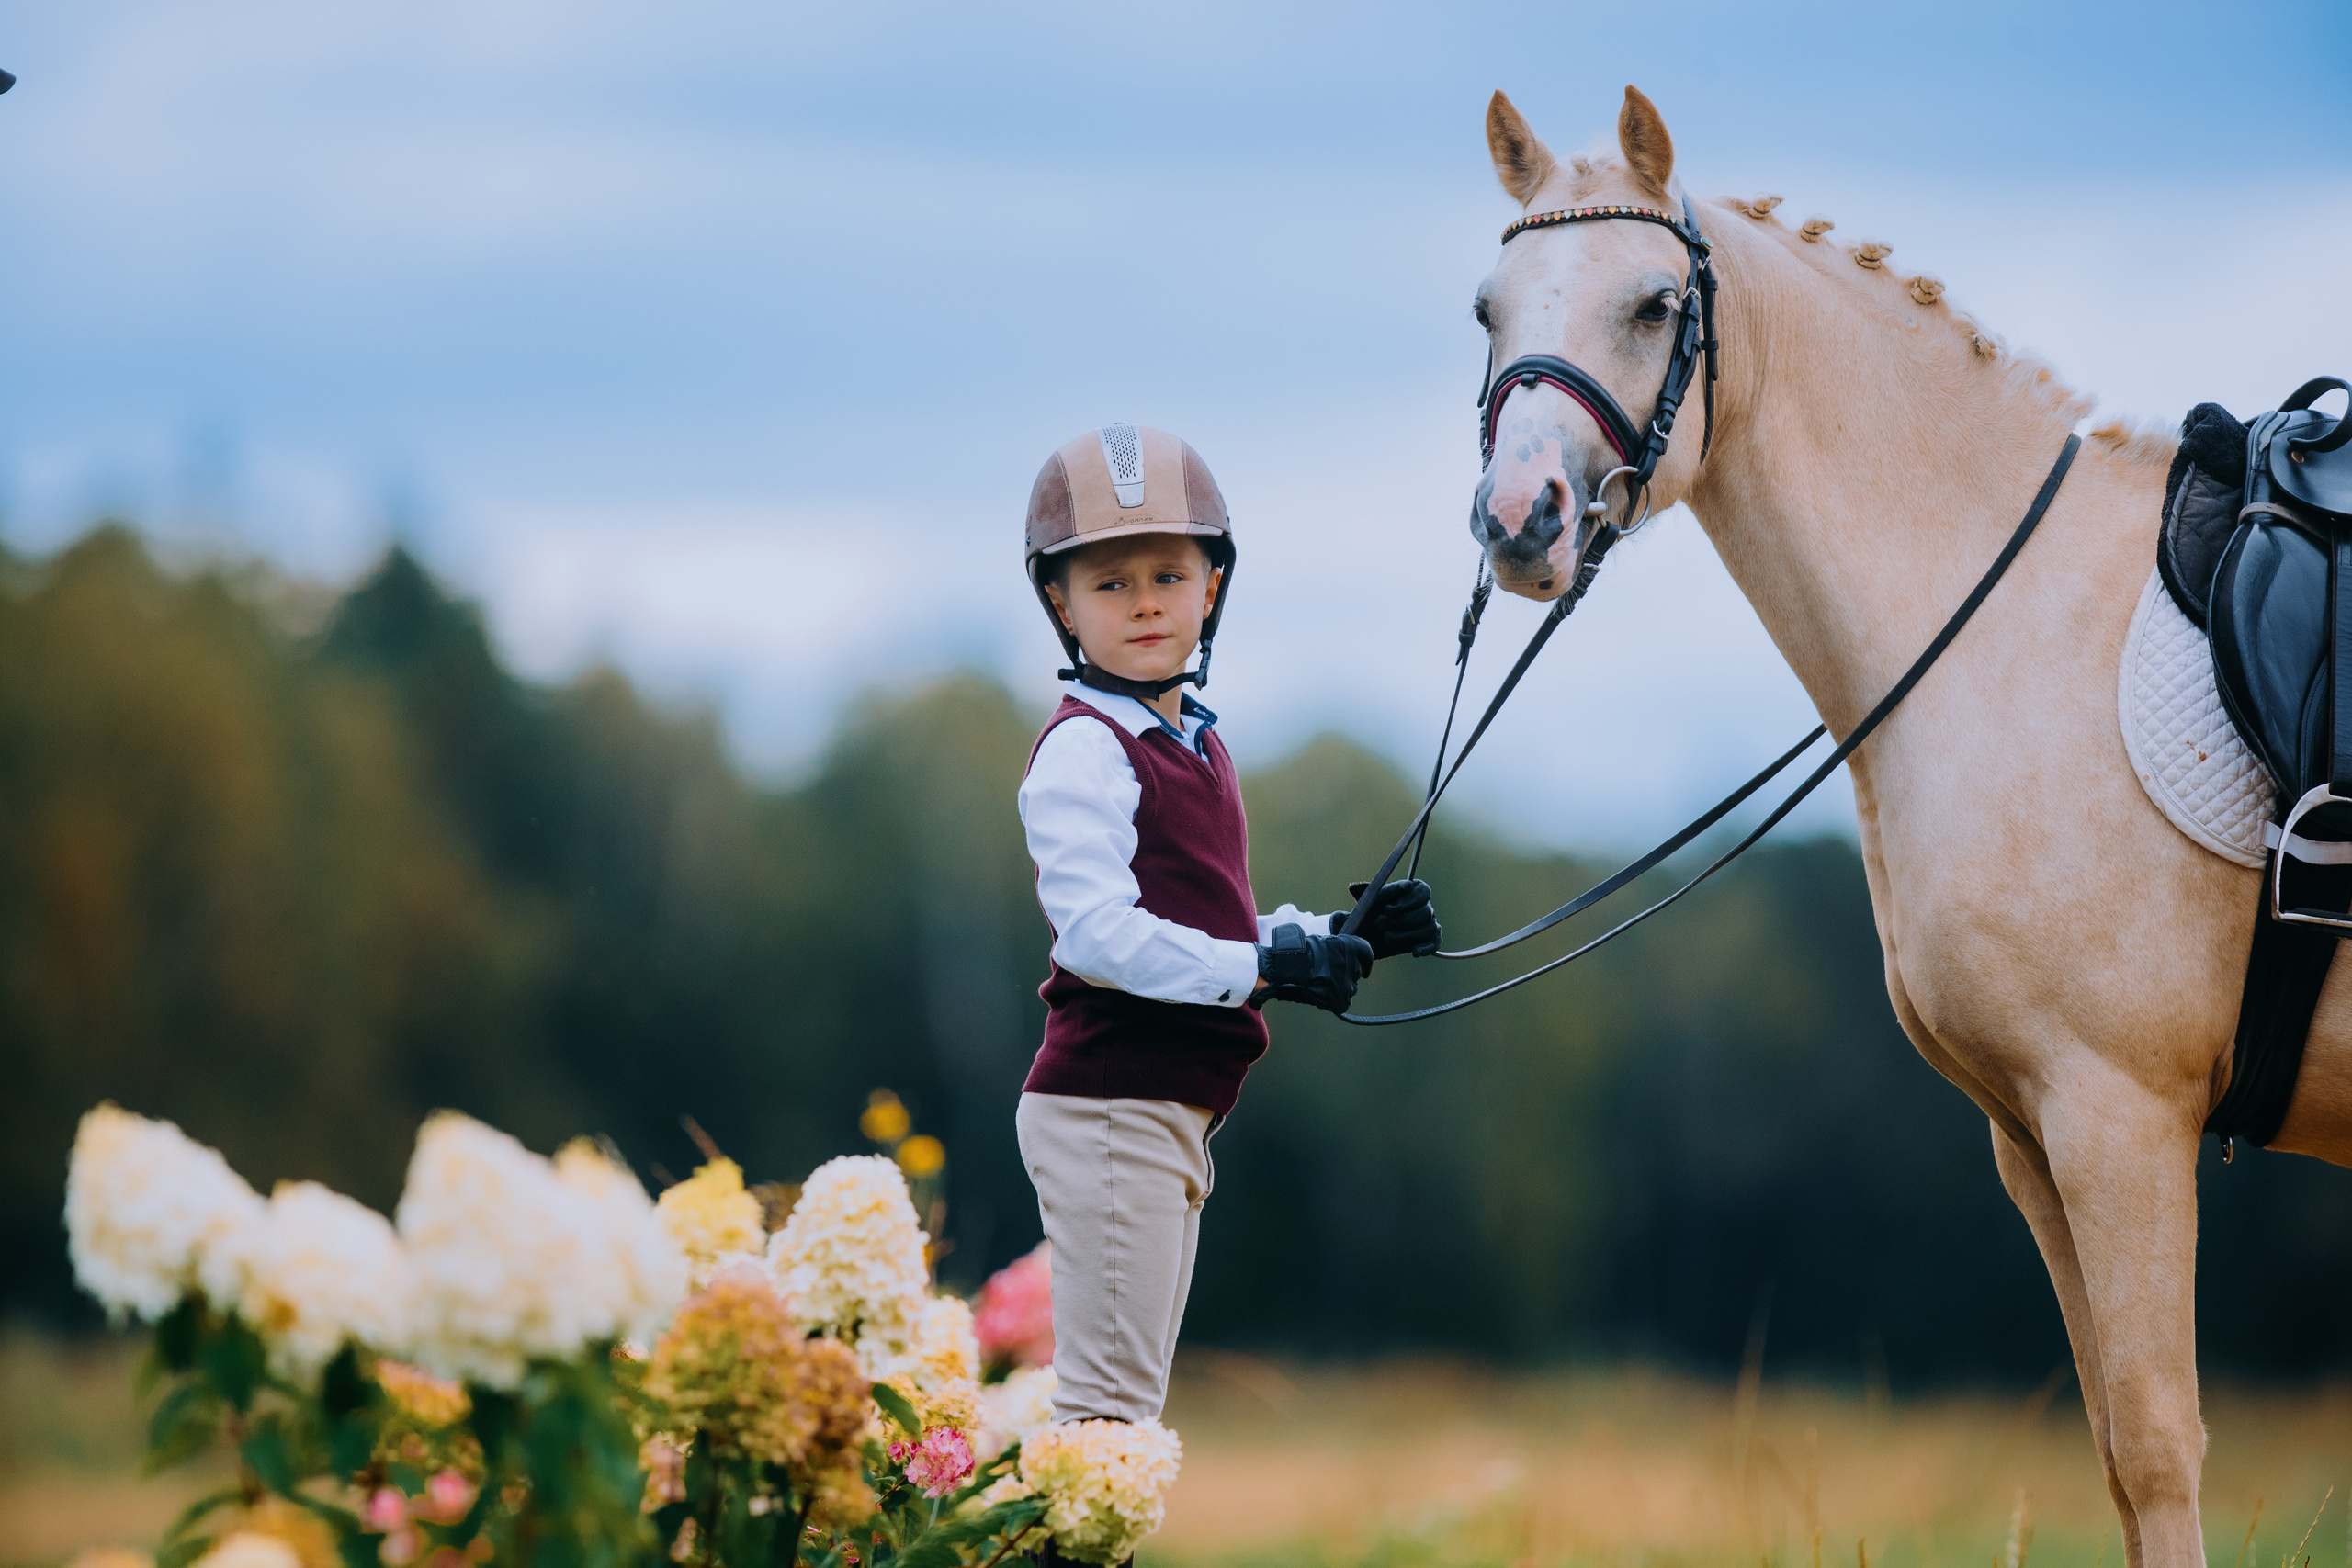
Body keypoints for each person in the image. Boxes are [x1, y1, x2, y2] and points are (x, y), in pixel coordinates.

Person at [1013, 423, 1440, 1438]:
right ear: (1060, 606)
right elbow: (1100, 939)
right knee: (1106, 1429)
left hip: (1163, 1110)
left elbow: (1197, 918)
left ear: (1213, 586)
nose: (1148, 600)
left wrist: (1339, 932)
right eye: (1110, 583)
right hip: (1110, 1107)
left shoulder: (1192, 741)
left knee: (1118, 1421)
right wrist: (1266, 963)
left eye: (1170, 571)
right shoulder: (1086, 751)